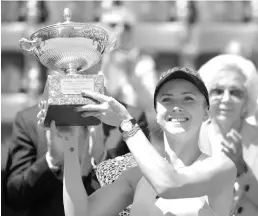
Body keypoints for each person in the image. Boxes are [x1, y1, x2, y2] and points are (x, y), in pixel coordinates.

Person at [38, 67, 237, 216]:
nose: (177, 106)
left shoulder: (221, 168)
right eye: (167, 99)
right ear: (157, 114)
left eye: (188, 99)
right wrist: (70, 148)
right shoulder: (137, 176)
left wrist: (126, 123)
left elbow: (169, 185)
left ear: (206, 113)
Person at [3, 95, 149, 216]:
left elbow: (142, 192)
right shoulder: (30, 118)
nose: (78, 70)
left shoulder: (125, 116)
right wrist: (51, 161)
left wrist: (102, 158)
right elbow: (15, 197)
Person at [198, 54, 258, 216]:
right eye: (217, 91)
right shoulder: (190, 138)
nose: (226, 99)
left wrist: (242, 170)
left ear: (247, 100)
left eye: (235, 92)